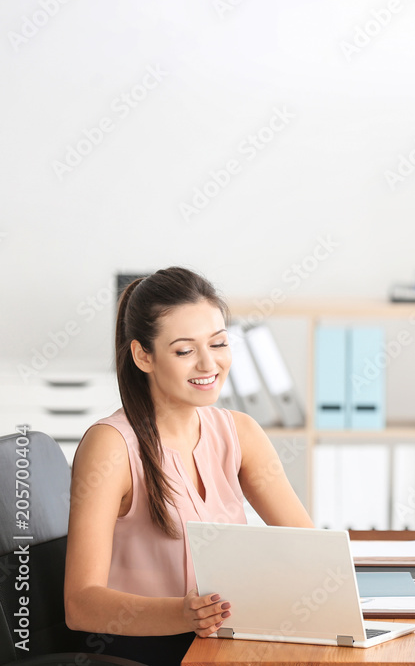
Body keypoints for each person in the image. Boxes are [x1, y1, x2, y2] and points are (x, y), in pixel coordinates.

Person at [64, 267, 313, 666]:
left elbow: (309, 549)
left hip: (224, 642)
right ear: (143, 355)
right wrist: (182, 613)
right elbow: (80, 605)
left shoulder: (240, 432)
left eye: (218, 344)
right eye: (184, 351)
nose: (208, 364)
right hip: (145, 652)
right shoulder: (110, 446)